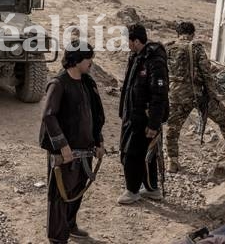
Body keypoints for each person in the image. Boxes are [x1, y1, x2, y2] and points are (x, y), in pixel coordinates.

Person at [39, 41, 106, 243]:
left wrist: (99, 141)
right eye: (88, 59)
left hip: (85, 151)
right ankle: (57, 237)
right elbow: (49, 116)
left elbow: (96, 115)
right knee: (60, 194)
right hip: (66, 153)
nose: (91, 63)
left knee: (76, 191)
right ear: (76, 60)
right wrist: (63, 146)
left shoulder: (87, 82)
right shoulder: (59, 83)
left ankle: (71, 226)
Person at [165, 22, 225, 172]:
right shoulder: (195, 47)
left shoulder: (168, 48)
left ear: (178, 33)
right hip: (197, 94)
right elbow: (206, 73)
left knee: (173, 127)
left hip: (175, 93)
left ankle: (172, 161)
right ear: (192, 33)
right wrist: (213, 95)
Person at [118, 24, 169, 205]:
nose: (128, 45)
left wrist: (154, 124)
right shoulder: (137, 57)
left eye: (129, 41)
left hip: (143, 118)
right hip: (133, 115)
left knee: (131, 154)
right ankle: (151, 188)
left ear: (137, 41)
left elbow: (159, 95)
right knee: (145, 154)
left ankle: (132, 191)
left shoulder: (154, 61)